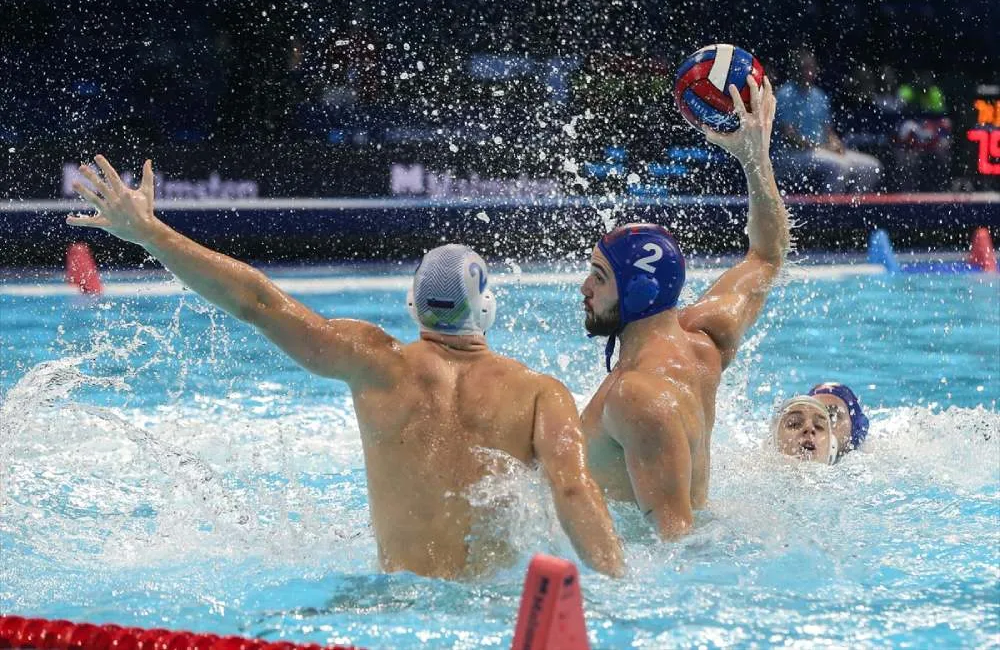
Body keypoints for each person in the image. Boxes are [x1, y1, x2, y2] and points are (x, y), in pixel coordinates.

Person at [68, 156, 624, 579]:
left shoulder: (376, 364)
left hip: (393, 604)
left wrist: (151, 233)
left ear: (413, 305)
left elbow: (257, 301)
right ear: (487, 308)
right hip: (489, 612)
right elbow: (574, 491)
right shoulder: (539, 394)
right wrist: (619, 587)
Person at [580, 76, 790, 539]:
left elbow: (676, 544)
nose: (584, 288)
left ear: (637, 293)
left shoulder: (638, 397)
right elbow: (766, 256)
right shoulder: (703, 340)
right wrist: (755, 160)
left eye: (599, 277)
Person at [773, 48, 883, 193]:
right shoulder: (785, 94)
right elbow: (789, 136)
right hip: (792, 155)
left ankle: (853, 204)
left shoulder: (820, 96)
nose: (808, 72)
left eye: (811, 68)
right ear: (796, 69)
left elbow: (828, 131)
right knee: (841, 166)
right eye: (804, 68)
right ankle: (829, 206)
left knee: (872, 167)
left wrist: (836, 145)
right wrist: (819, 147)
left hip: (821, 151)